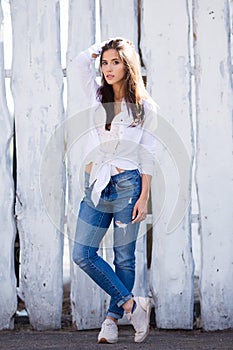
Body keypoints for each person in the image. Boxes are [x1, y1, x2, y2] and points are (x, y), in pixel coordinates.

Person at [72, 38, 158, 343]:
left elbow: (148, 153)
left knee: (124, 257)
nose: (108, 68)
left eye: (115, 62)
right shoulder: (96, 96)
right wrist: (100, 46)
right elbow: (79, 64)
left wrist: (144, 197)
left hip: (128, 186)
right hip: (96, 183)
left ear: (128, 64)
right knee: (83, 253)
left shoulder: (145, 107)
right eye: (105, 63)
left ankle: (111, 319)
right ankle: (133, 305)